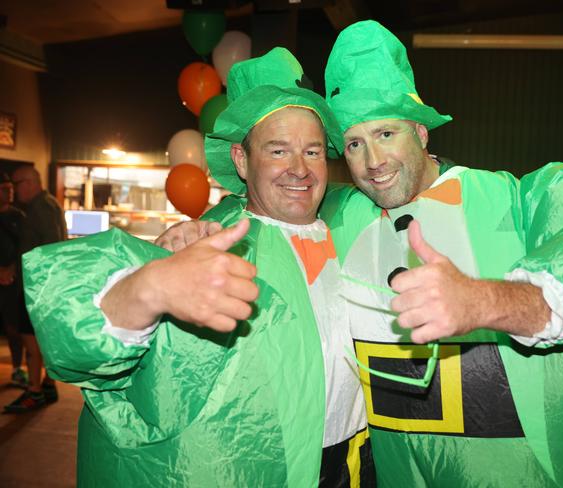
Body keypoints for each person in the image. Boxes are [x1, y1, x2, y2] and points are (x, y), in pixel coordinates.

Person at [317, 20, 563, 487]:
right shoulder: (342, 217)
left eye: (386, 134)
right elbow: (273, 210)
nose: (373, 161)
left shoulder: (510, 203)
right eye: (355, 143)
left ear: (421, 132)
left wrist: (484, 302)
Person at [22, 48, 374, 487]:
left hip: (356, 462)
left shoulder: (355, 222)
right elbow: (76, 335)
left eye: (313, 151)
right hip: (261, 470)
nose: (299, 169)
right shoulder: (209, 240)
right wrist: (148, 287)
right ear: (243, 161)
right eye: (278, 150)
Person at [4, 166, 66, 412]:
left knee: (31, 341)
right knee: (44, 339)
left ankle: (34, 391)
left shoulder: (40, 208)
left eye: (16, 184)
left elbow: (48, 249)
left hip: (37, 286)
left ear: (29, 183)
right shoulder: (49, 203)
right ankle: (47, 385)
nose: (14, 191)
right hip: (43, 285)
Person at [0, 172, 27, 389]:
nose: (8, 193)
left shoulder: (19, 216)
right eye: (3, 189)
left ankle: (18, 369)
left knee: (13, 329)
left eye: (10, 188)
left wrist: (12, 268)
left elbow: (24, 248)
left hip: (12, 281)